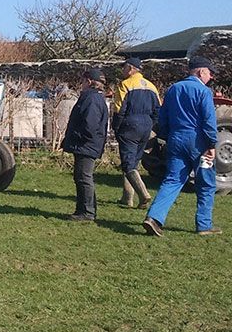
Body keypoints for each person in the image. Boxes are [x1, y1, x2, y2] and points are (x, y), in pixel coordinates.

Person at [142, 56, 221, 237]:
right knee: (206, 182)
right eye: (209, 73)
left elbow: (163, 117)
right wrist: (211, 144)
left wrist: (166, 136)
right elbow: (209, 120)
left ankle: (154, 217)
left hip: (176, 139)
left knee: (173, 180)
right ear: (201, 72)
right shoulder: (204, 91)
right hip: (198, 141)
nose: (209, 78)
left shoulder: (173, 89)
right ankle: (204, 224)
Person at [61, 68, 110, 222]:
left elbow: (90, 124)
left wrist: (76, 136)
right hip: (87, 144)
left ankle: (87, 212)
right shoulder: (95, 98)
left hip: (86, 144)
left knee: (83, 177)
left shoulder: (91, 99)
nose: (81, 84)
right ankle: (84, 209)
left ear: (89, 81)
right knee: (81, 177)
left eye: (82, 81)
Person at [112, 57, 160, 208]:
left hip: (130, 125)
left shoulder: (125, 85)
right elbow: (158, 110)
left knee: (127, 162)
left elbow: (120, 109)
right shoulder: (152, 86)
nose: (122, 70)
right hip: (146, 126)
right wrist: (150, 124)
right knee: (134, 161)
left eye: (124, 67)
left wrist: (117, 127)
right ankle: (127, 197)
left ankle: (143, 194)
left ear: (131, 68)